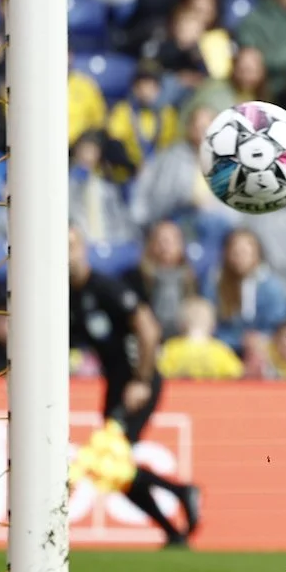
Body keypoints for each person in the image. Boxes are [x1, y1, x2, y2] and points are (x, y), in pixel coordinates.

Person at [69, 225, 202, 548]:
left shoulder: (105, 288)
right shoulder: (67, 295)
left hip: (137, 381)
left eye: (71, 244)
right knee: (116, 469)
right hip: (115, 384)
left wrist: (141, 380)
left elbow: (148, 327)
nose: (66, 252)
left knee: (109, 462)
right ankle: (173, 528)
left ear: (83, 248)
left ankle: (179, 496)